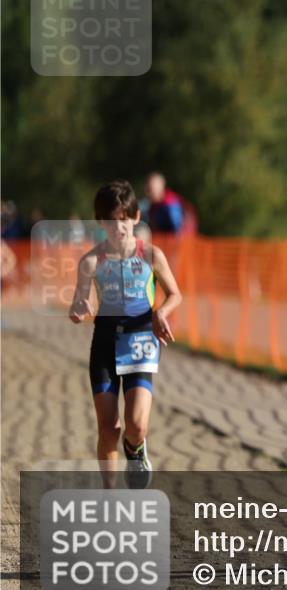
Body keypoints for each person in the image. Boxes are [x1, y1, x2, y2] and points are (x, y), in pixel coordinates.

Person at [69, 180, 183, 488]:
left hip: (141, 339)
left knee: (136, 425)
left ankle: (136, 450)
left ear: (135, 217)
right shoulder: (91, 261)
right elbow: (79, 302)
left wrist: (161, 312)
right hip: (105, 343)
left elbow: (175, 294)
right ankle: (109, 494)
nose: (118, 227)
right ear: (100, 222)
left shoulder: (152, 255)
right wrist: (78, 308)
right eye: (110, 220)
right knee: (109, 428)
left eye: (124, 218)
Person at [143, 172, 197, 236]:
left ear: (160, 187)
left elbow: (177, 232)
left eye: (150, 189)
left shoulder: (171, 205)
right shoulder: (154, 205)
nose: (147, 192)